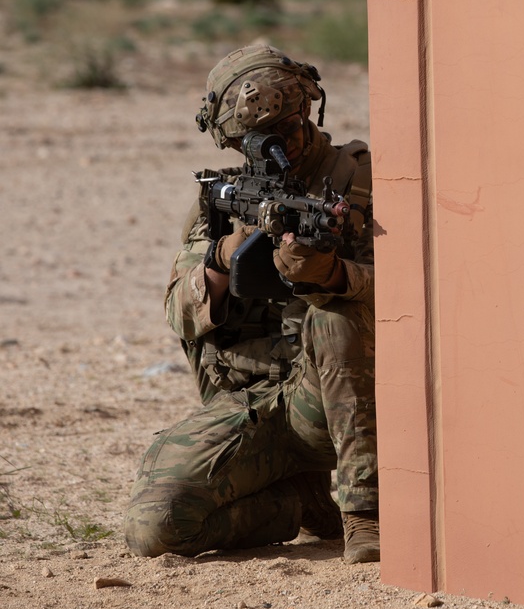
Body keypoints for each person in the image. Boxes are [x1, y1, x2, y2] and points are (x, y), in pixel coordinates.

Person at [123, 43, 378, 563]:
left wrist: (334, 274)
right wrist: (223, 253)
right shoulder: (222, 198)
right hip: (252, 404)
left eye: (283, 130)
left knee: (334, 315)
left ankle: (365, 514)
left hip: (336, 404)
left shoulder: (361, 181)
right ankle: (294, 503)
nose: (268, 146)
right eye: (249, 140)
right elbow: (179, 312)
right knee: (156, 527)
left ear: (305, 110)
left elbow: (422, 294)